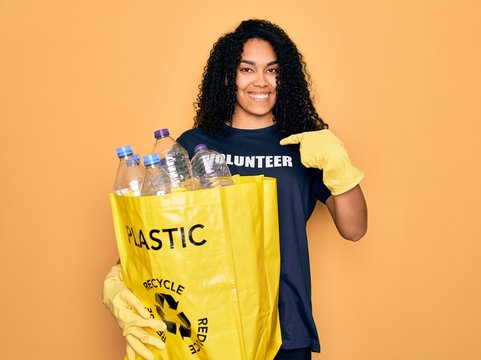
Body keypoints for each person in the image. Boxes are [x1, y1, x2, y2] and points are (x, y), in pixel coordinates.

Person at [103, 19, 367, 360]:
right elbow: (162, 232)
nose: (261, 81)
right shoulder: (192, 145)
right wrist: (116, 280)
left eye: (273, 70)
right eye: (247, 69)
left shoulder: (306, 143)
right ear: (228, 76)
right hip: (211, 326)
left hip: (284, 324)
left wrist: (339, 165)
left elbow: (355, 229)